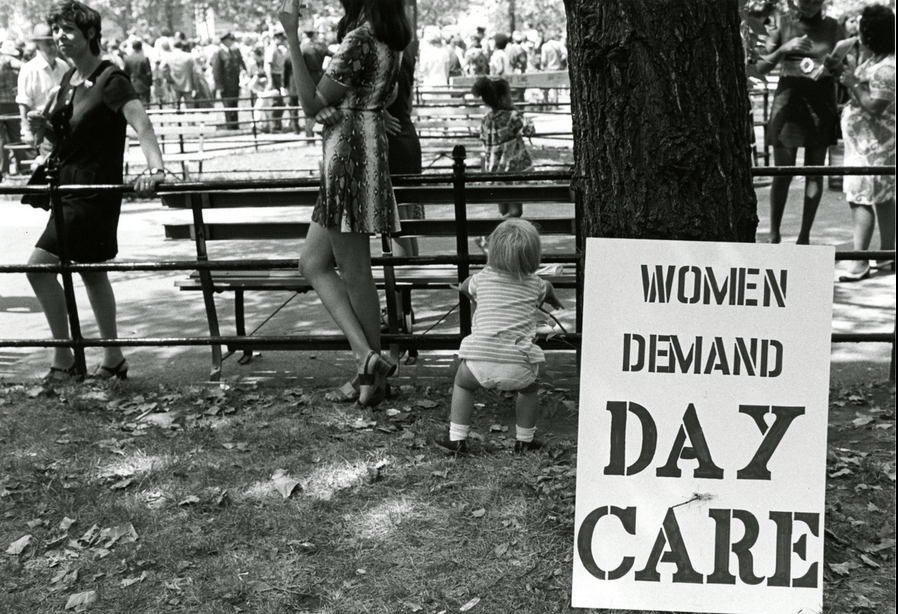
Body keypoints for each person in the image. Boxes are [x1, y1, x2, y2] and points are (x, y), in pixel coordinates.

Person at [277, 0, 412, 407]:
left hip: (348, 158)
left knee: (355, 271)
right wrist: (358, 110)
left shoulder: (361, 37)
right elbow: (381, 98)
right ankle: (367, 361)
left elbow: (310, 102)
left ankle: (369, 373)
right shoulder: (393, 37)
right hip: (363, 149)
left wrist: (291, 37)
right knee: (313, 263)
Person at [26, 0, 168, 382]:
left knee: (37, 269)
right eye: (56, 30)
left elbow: (142, 124)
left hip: (93, 193)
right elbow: (71, 136)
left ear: (90, 34)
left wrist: (155, 170)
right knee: (91, 273)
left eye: (68, 30)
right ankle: (113, 357)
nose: (59, 37)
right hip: (67, 188)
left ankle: (64, 356)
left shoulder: (111, 78)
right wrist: (44, 130)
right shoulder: (68, 81)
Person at [434, 218, 564, 454]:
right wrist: (552, 300)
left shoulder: (481, 278)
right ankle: (524, 440)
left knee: (462, 384)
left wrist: (465, 291)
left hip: (479, 363)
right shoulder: (536, 285)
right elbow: (548, 288)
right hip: (520, 363)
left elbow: (465, 286)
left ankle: (457, 438)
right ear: (534, 256)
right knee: (530, 389)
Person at [756, 0, 845, 245]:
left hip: (821, 104)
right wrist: (784, 48)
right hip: (789, 103)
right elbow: (761, 66)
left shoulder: (834, 27)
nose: (808, 5)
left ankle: (804, 237)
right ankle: (774, 234)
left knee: (814, 173)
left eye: (814, 0)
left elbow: (845, 68)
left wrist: (836, 65)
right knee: (782, 173)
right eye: (803, 1)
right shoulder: (783, 22)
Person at [832, 4, 895, 281]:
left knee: (860, 200)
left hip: (873, 149)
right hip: (866, 146)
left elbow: (875, 106)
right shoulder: (874, 62)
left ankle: (860, 261)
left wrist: (852, 84)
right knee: (882, 199)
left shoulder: (887, 68)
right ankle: (887, 256)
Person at [472, 76, 535, 219]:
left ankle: (497, 239)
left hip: (494, 174)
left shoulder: (485, 120)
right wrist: (515, 109)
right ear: (503, 99)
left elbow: (483, 139)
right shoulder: (512, 117)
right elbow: (528, 129)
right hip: (512, 172)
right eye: (509, 95)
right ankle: (489, 236)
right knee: (515, 212)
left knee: (503, 211)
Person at [16, 23, 68, 164]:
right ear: (38, 45)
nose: (53, 47)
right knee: (51, 165)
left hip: (64, 125)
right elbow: (24, 102)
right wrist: (27, 130)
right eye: (48, 43)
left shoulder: (63, 66)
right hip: (43, 128)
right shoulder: (29, 69)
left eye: (55, 42)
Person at [298, 28, 332, 137]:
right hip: (321, 78)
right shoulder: (320, 46)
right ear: (313, 35)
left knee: (308, 108)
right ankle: (323, 132)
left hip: (308, 79)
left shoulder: (303, 48)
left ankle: (309, 134)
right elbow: (334, 54)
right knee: (323, 106)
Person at [211, 32, 246, 129]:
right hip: (225, 86)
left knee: (234, 105)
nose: (231, 42)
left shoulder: (232, 51)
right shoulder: (218, 53)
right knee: (228, 106)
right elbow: (216, 71)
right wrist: (220, 86)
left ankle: (235, 125)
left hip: (234, 84)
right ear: (225, 40)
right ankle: (230, 125)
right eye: (230, 40)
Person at [1, 39, 24, 179]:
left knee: (1, 138)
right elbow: (24, 67)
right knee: (15, 134)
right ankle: (23, 167)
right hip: (11, 103)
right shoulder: (8, 60)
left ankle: (3, 170)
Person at [161, 39, 196, 109]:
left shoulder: (168, 56)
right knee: (190, 106)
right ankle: (192, 119)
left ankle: (177, 119)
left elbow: (162, 68)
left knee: (176, 105)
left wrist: (168, 78)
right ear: (182, 46)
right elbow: (194, 69)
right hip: (187, 83)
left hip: (174, 84)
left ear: (173, 46)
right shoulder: (189, 56)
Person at [264, 31, 287, 132]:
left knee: (280, 102)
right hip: (274, 76)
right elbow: (268, 66)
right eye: (281, 38)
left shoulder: (279, 48)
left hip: (279, 76)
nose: (282, 40)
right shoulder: (272, 49)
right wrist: (270, 81)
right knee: (275, 101)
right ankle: (274, 126)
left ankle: (277, 124)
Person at [122, 39, 153, 105]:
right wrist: (150, 83)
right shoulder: (144, 58)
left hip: (132, 85)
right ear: (141, 47)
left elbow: (125, 73)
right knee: (146, 104)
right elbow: (148, 73)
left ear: (132, 47)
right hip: (144, 84)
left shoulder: (127, 59)